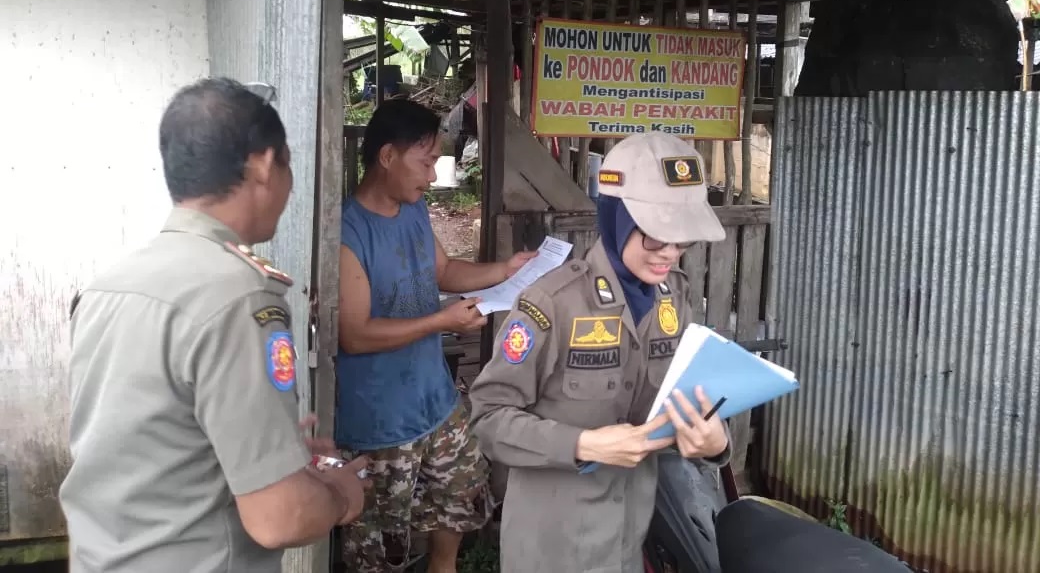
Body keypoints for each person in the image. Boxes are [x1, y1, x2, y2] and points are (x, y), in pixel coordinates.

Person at [59, 77, 369, 573]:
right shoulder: (240, 297)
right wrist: (340, 494)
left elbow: (149, 444)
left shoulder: (107, 287)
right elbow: (280, 518)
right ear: (265, 163)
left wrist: (270, 453)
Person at [468, 132, 732, 573]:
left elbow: (687, 397)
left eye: (683, 239)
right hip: (551, 549)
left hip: (630, 540)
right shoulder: (552, 303)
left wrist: (713, 441)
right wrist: (583, 444)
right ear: (617, 218)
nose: (669, 252)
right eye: (654, 235)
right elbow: (487, 418)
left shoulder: (675, 299)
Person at [336, 98, 536, 573]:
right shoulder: (346, 233)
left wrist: (504, 270)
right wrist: (442, 322)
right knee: (379, 549)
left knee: (460, 498)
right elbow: (355, 336)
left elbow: (442, 271)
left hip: (437, 402)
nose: (431, 176)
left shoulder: (414, 210)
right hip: (380, 424)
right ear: (388, 157)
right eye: (425, 162)